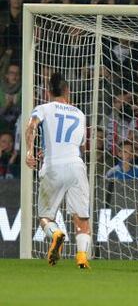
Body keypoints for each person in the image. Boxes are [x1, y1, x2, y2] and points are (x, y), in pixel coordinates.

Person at [25, 72, 91, 269]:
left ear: (48, 92)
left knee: (45, 217)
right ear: (67, 91)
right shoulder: (79, 113)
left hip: (53, 167)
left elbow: (31, 126)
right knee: (82, 217)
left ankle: (56, 234)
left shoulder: (43, 108)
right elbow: (81, 145)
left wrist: (29, 152)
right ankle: (81, 257)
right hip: (76, 166)